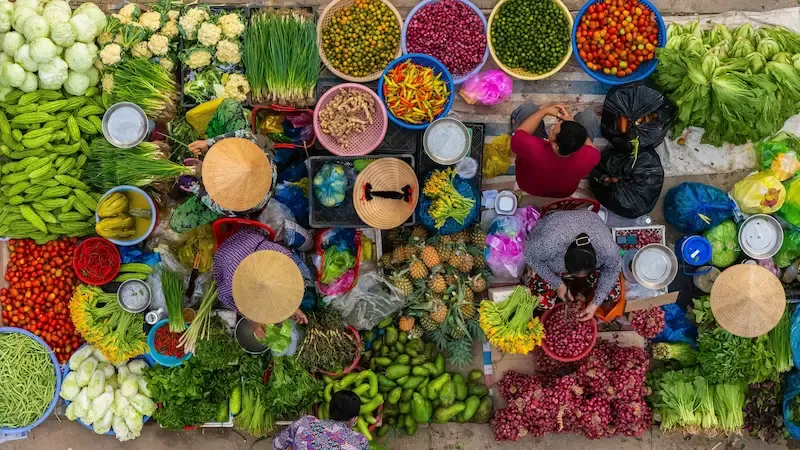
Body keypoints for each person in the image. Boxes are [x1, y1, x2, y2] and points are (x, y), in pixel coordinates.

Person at [525, 209, 621, 321]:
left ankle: (587, 295)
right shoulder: (549, 243)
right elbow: (530, 256)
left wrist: (595, 303)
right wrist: (557, 283)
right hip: (552, 234)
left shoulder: (606, 247)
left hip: (589, 225)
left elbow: (613, 268)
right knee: (544, 303)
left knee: (613, 293)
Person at [510, 102, 601, 198]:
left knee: (528, 109)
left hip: (528, 186)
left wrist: (544, 111)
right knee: (588, 118)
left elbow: (518, 135)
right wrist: (573, 124)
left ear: (555, 146)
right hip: (563, 192)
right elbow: (592, 148)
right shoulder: (589, 157)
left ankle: (516, 119)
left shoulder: (531, 147)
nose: (553, 126)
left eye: (553, 130)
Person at [273, 390, 370, 450]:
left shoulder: (306, 421)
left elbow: (277, 444)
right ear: (354, 419)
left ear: (328, 409)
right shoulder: (360, 441)